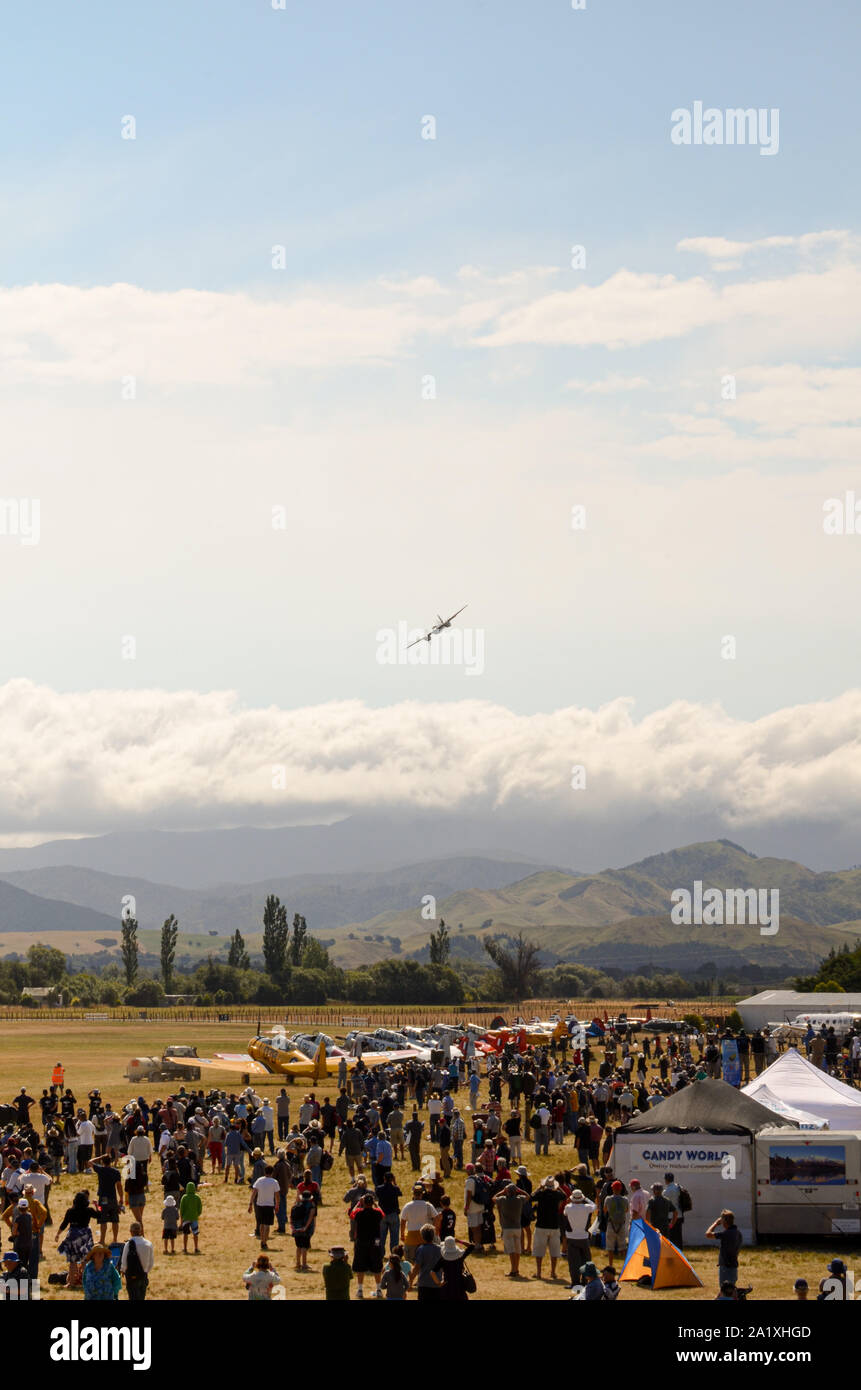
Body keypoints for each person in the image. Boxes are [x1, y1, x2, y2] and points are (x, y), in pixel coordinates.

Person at [55, 1190, 101, 1287]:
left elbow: (64, 1224)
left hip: (73, 1235)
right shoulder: (88, 1210)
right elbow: (99, 1215)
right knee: (85, 1261)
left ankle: (71, 1283)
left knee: (72, 1261)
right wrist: (97, 1206)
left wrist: (58, 1234)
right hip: (85, 1236)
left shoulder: (70, 1211)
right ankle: (85, 1283)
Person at [350, 1191, 384, 1299]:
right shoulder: (377, 1213)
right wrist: (376, 1204)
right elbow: (382, 1213)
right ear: (372, 1202)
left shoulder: (359, 1213)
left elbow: (352, 1213)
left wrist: (358, 1204)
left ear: (363, 1202)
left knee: (360, 1266)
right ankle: (378, 1289)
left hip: (361, 1242)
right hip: (375, 1242)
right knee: (377, 1266)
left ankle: (360, 1290)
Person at [562, 1188, 596, 1289]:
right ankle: (585, 1281)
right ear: (582, 1198)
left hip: (572, 1237)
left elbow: (564, 1213)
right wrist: (586, 1199)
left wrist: (569, 1201)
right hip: (584, 1237)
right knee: (586, 1260)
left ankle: (575, 1283)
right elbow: (595, 1206)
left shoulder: (568, 1207)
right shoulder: (587, 1207)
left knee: (573, 1262)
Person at [494, 1182, 528, 1279]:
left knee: (511, 1250)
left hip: (507, 1228)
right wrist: (519, 1190)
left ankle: (513, 1270)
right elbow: (528, 1196)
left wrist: (502, 1191)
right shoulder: (519, 1199)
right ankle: (516, 1269)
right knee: (517, 1250)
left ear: (507, 1192)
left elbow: (493, 1198)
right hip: (517, 1227)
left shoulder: (503, 1200)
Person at [532, 1176, 563, 1281]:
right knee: (554, 1251)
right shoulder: (557, 1195)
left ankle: (539, 1272)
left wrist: (539, 1188)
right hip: (554, 1225)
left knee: (539, 1251)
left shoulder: (541, 1194)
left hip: (541, 1225)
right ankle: (553, 1272)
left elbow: (531, 1197)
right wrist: (558, 1188)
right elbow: (565, 1195)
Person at [705, 1209, 742, 1290]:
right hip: (734, 1265)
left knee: (725, 1291)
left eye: (722, 1220)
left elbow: (708, 1234)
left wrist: (715, 1223)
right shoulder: (738, 1233)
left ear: (724, 1221)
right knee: (731, 1290)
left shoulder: (725, 1234)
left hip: (726, 1267)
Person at [407, 1223, 443, 1301]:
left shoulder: (421, 1249)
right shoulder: (440, 1249)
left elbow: (416, 1268)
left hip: (424, 1284)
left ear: (422, 1236)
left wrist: (410, 1282)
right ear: (433, 1236)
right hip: (437, 1283)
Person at [121, 1221, 154, 1301]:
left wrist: (123, 1270)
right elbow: (151, 1263)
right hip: (143, 1275)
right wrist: (145, 1271)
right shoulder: (148, 1244)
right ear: (141, 1231)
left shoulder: (128, 1244)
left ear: (131, 1232)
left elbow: (124, 1261)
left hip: (131, 1275)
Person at [250, 1165, 280, 1251]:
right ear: (272, 1172)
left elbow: (254, 1192)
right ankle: (264, 1241)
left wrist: (250, 1203)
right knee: (267, 1225)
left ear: (265, 1172)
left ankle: (262, 1239)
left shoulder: (259, 1180)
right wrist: (277, 1205)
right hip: (269, 1205)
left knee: (261, 1224)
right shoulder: (274, 1182)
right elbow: (277, 1195)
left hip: (260, 1204)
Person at [439, 1235, 475, 1301]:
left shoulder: (443, 1259)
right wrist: (459, 1241)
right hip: (460, 1286)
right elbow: (472, 1246)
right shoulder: (460, 1257)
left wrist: (439, 1283)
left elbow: (433, 1271)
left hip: (447, 1287)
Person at [290, 1189, 316, 1271]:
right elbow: (311, 1218)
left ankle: (298, 1264)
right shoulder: (311, 1206)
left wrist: (293, 1227)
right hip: (305, 1229)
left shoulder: (296, 1205)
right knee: (304, 1247)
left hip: (296, 1228)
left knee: (298, 1247)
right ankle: (304, 1264)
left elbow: (291, 1217)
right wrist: (306, 1227)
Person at [179, 1181, 202, 1254]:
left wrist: (182, 1217)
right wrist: (197, 1214)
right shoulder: (197, 1197)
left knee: (185, 1234)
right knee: (195, 1234)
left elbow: (181, 1209)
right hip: (194, 1218)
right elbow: (200, 1208)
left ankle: (185, 1248)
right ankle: (196, 1248)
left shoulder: (184, 1197)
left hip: (186, 1218)